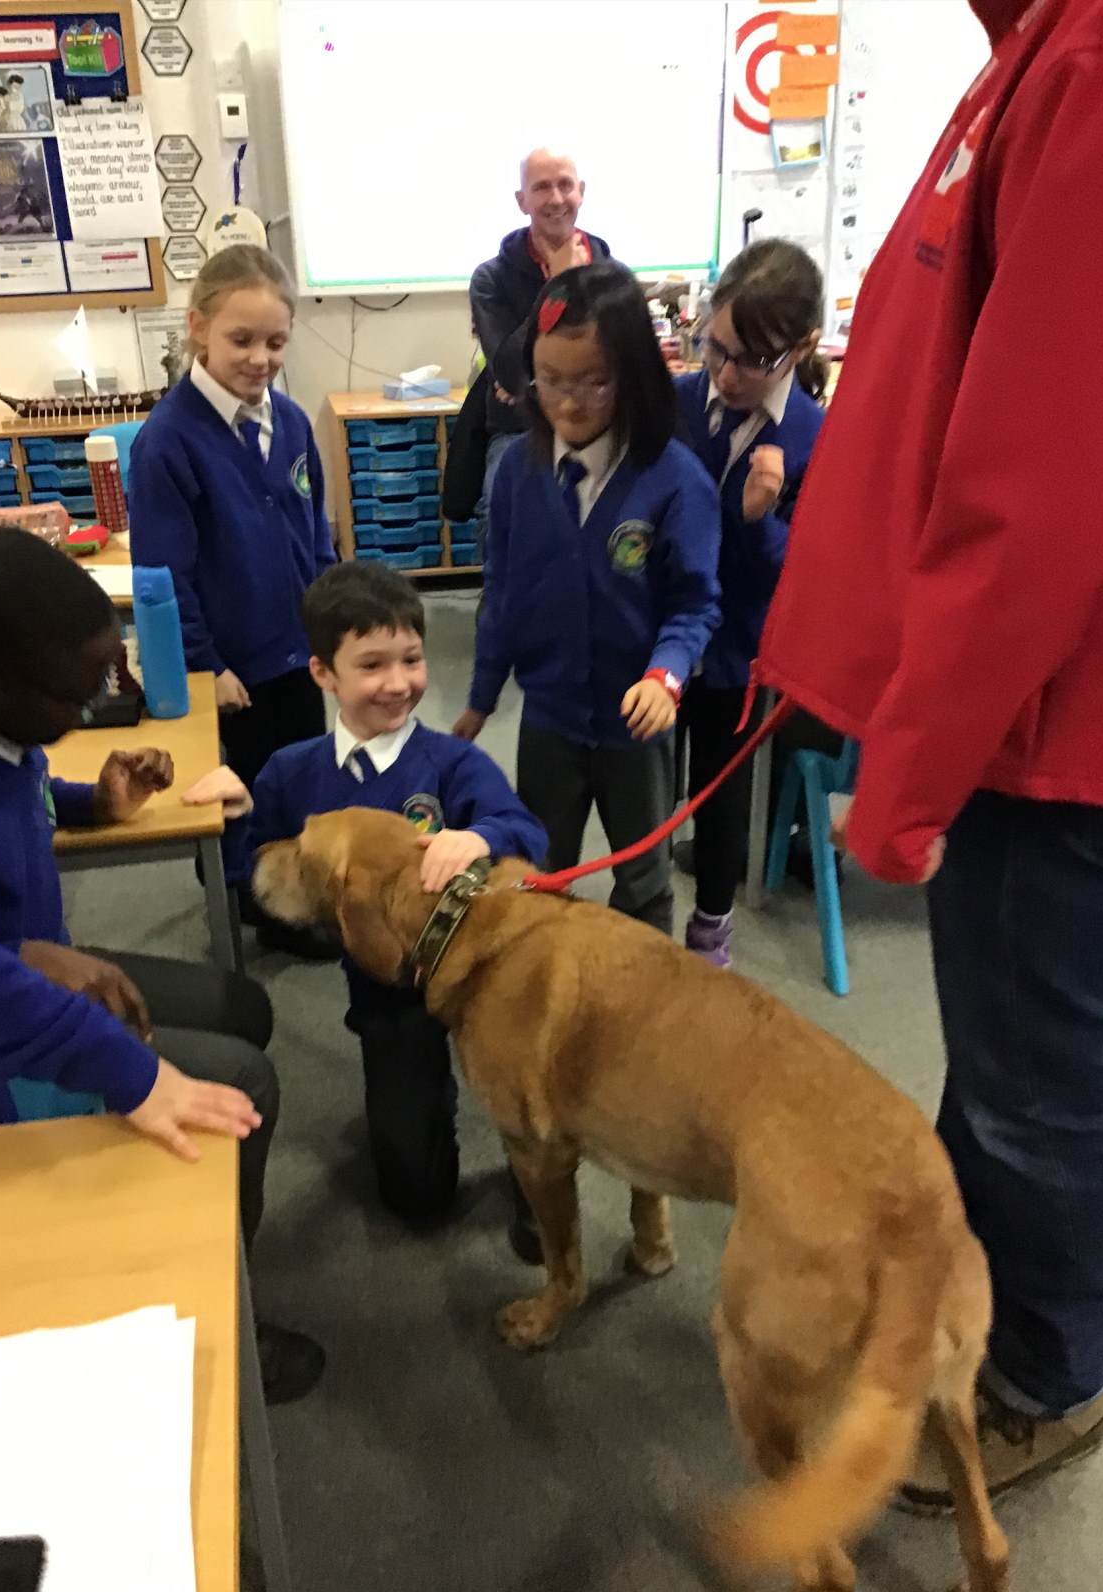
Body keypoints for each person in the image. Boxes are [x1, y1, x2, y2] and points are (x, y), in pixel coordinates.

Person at [752, 0, 1103, 1503]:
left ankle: (1043, 1373)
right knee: (1017, 1065)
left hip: (1046, 740)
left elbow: (1039, 493)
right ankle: (979, 1313)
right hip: (1018, 724)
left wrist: (901, 780)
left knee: (1041, 1094)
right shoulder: (1031, 57)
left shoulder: (1085, 65)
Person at [0, 529, 323, 1403]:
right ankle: (212, 1318)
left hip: (20, 973)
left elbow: (13, 789)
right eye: (80, 691)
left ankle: (206, 1239)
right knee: (240, 1084)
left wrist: (90, 803)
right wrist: (137, 1078)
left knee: (240, 1008)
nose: (104, 699)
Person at [239, 561, 548, 1257]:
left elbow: (527, 832)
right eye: (372, 664)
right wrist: (232, 812)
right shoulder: (291, 772)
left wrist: (478, 836)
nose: (399, 682)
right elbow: (256, 870)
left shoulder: (451, 763)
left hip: (482, 980)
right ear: (323, 673)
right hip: (390, 995)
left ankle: (532, 1181)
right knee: (415, 1194)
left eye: (411, 659)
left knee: (526, 1094)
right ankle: (418, 1103)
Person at [454, 261, 722, 936]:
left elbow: (694, 605)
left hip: (637, 726)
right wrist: (482, 696)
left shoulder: (675, 480)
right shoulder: (517, 475)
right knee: (538, 873)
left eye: (594, 382)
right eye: (550, 381)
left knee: (644, 879)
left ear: (632, 375)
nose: (569, 403)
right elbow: (504, 593)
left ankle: (642, 993)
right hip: (550, 718)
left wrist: (665, 677)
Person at [129, 244, 335, 796]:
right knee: (245, 805)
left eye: (276, 343)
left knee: (305, 794)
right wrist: (207, 667)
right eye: (241, 340)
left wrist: (330, 629)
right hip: (230, 675)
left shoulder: (291, 421)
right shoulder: (167, 442)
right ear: (199, 327)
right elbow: (164, 577)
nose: (260, 358)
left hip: (299, 655)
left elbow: (316, 536)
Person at [673, 240, 827, 967]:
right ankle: (640, 924)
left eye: (753, 360)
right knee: (642, 783)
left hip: (739, 647)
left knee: (721, 793)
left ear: (803, 348)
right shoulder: (675, 405)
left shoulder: (813, 436)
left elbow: (804, 570)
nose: (727, 374)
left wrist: (761, 520)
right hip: (659, 639)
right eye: (716, 347)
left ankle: (711, 932)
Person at [468, 150, 614, 548]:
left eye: (565, 185)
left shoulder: (610, 272)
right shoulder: (490, 279)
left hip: (599, 424)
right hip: (520, 429)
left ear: (581, 192)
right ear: (522, 201)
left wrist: (532, 382)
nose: (556, 198)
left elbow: (619, 362)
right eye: (542, 188)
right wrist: (559, 287)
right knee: (501, 514)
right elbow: (509, 371)